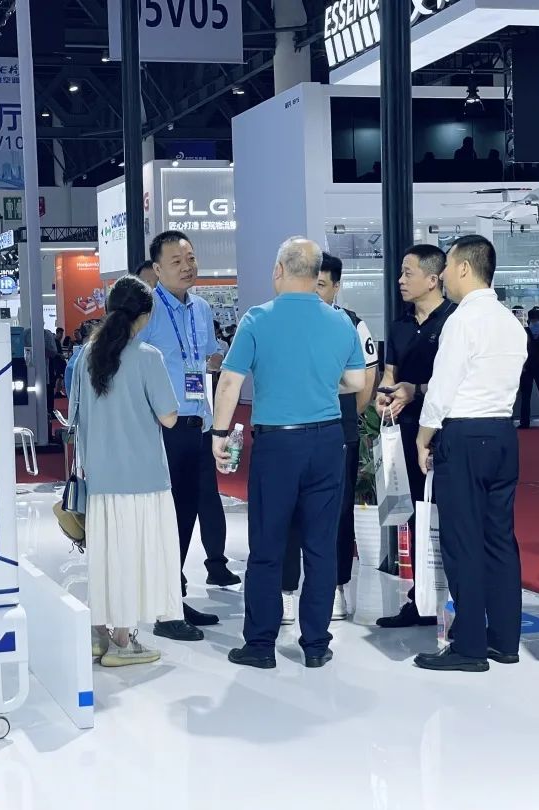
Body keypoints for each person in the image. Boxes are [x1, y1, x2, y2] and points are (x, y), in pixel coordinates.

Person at [211, 237, 366, 669]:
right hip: (327, 441)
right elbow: (356, 382)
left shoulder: (258, 319)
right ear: (317, 275)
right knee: (320, 545)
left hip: (278, 444)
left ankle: (261, 644)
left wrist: (219, 433)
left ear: (279, 271)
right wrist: (320, 385)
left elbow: (229, 381)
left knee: (267, 545)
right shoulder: (340, 321)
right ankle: (315, 645)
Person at [410, 235, 527, 672]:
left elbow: (443, 388)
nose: (442, 275)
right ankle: (504, 640)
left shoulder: (462, 321)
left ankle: (469, 646)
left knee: (462, 542)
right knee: (500, 539)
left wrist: (423, 437)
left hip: (464, 434)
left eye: (447, 266)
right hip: (502, 433)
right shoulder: (509, 321)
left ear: (463, 268)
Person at [74, 276, 193, 666]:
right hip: (143, 477)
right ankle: (123, 642)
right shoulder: (147, 356)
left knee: (106, 558)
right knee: (135, 558)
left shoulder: (86, 356)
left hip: (100, 476)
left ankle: (99, 634)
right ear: (145, 315)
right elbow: (169, 417)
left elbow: (76, 414)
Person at [142, 230, 238, 637]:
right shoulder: (147, 310)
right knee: (166, 518)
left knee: (187, 513)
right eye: (177, 261)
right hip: (164, 428)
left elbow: (205, 358)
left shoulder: (200, 308)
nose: (187, 267)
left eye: (191, 258)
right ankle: (165, 610)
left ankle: (173, 599)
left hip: (199, 426)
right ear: (157, 269)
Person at [281, 252, 378, 625]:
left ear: (336, 286)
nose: (313, 290)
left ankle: (337, 586)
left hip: (339, 433)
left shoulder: (352, 324)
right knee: (289, 512)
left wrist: (349, 413)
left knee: (337, 514)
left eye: (321, 284)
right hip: (292, 430)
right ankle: (286, 590)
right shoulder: (285, 321)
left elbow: (367, 377)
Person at [375, 245, 456, 629]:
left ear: (433, 278)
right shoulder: (400, 325)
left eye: (408, 273)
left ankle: (455, 600)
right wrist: (385, 395)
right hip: (406, 431)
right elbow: (390, 374)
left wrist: (415, 390)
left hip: (447, 430)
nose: (400, 280)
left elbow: (456, 381)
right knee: (414, 515)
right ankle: (421, 599)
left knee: (449, 514)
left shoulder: (454, 320)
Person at [518, 308, 539, 430]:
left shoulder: (523, 331)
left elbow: (520, 349)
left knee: (526, 396)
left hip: (527, 367)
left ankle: (525, 422)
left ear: (528, 318)